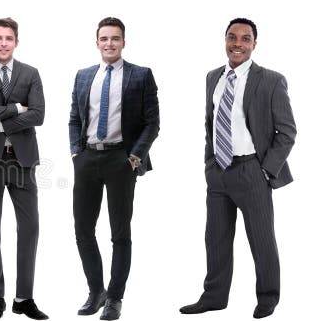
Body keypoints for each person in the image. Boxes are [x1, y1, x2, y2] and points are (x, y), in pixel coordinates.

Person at [179, 18, 296, 319]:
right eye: (232, 37)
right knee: (215, 237)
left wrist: (266, 169)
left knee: (261, 238)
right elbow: (210, 122)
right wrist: (209, 162)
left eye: (245, 39)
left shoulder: (270, 80)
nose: (237, 44)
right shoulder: (212, 77)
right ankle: (214, 297)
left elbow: (287, 132)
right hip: (218, 171)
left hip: (252, 170)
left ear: (254, 44)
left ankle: (268, 296)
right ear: (225, 40)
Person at [68, 17, 159, 321]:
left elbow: (152, 122)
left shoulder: (141, 75)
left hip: (122, 160)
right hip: (87, 159)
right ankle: (97, 292)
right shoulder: (83, 76)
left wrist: (134, 157)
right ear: (97, 42)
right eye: (104, 38)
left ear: (123, 42)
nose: (109, 43)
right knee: (83, 230)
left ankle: (115, 298)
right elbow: (74, 119)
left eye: (115, 38)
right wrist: (75, 153)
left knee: (120, 233)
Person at [0, 17, 48, 320]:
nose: (4, 43)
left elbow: (39, 115)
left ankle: (23, 298)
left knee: (30, 228)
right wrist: (17, 108)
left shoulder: (31, 73)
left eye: (9, 38)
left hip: (22, 160)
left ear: (16, 42)